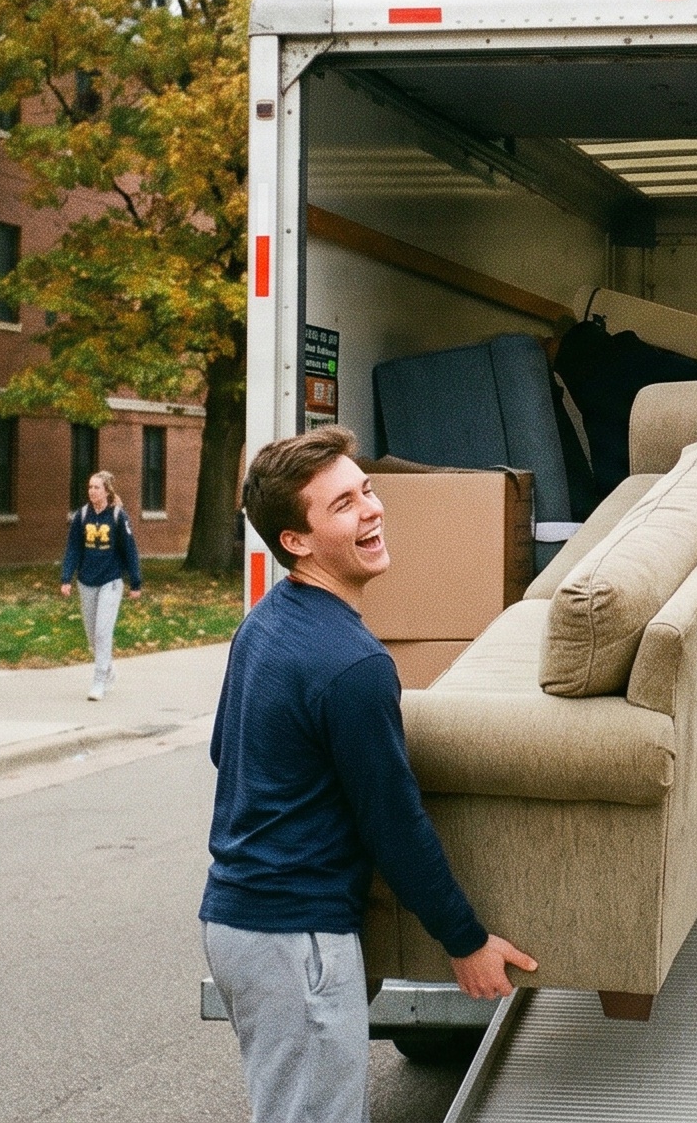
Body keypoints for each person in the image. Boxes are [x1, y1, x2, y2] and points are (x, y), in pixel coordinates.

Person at [205, 427, 535, 1121]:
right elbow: (394, 824)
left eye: (368, 490)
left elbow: (223, 753)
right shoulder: (351, 664)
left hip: (238, 926)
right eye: (344, 506)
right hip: (297, 943)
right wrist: (466, 941)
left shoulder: (264, 626)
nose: (372, 510)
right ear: (296, 539)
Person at [59, 470, 142, 701]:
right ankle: (108, 669)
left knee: (103, 633)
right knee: (92, 636)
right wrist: (66, 578)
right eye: (89, 487)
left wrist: (135, 582)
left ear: (106, 491)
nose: (92, 491)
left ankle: (98, 682)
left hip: (111, 581)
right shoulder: (82, 515)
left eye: (96, 487)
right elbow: (73, 548)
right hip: (86, 581)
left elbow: (130, 550)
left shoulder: (117, 516)